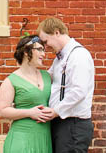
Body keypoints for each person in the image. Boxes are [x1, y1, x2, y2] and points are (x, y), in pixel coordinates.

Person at [37, 17, 95, 153]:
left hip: (73, 125)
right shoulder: (60, 58)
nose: (45, 47)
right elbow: (47, 78)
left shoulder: (78, 55)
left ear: (56, 32)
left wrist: (56, 111)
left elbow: (78, 92)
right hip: (62, 123)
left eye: (46, 42)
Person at [0, 35, 54, 153]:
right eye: (40, 50)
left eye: (44, 50)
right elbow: (2, 110)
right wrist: (29, 112)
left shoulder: (47, 76)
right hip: (22, 139)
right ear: (27, 52)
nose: (44, 54)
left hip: (44, 138)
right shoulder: (11, 81)